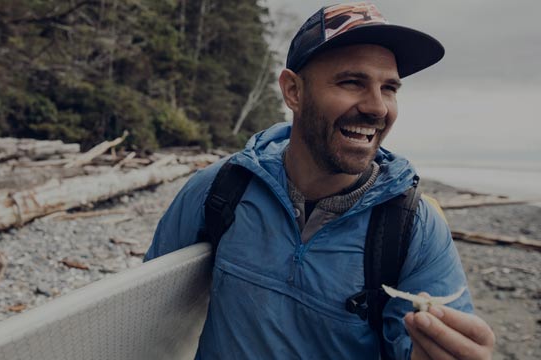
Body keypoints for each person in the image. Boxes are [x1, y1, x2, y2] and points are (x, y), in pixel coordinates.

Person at [145, 2, 495, 359]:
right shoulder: (219, 189)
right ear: (293, 91)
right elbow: (143, 311)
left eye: (389, 88)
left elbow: (422, 347)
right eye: (352, 82)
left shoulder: (413, 230)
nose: (377, 108)